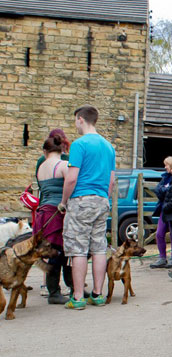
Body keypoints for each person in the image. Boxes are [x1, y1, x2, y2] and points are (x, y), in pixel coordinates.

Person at [59, 105, 115, 310]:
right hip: (101, 199)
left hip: (81, 199)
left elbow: (71, 178)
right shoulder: (109, 147)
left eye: (75, 120)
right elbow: (111, 180)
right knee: (99, 246)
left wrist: (64, 201)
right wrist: (104, 199)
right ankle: (98, 294)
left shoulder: (79, 144)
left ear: (81, 119)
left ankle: (78, 296)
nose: (75, 124)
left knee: (78, 249)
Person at [33, 134, 71, 304]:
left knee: (52, 252)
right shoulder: (63, 165)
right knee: (63, 252)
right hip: (58, 212)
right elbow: (71, 185)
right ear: (62, 149)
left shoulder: (41, 167)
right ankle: (57, 291)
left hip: (43, 213)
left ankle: (54, 289)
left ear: (45, 151)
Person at [150, 156, 172, 269]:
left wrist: (165, 191)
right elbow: (158, 190)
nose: (165, 167)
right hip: (163, 209)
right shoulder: (165, 178)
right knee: (159, 233)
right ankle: (162, 257)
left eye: (166, 165)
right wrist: (166, 191)